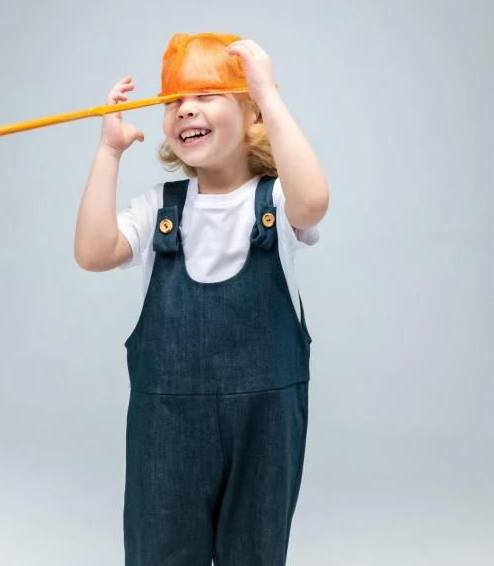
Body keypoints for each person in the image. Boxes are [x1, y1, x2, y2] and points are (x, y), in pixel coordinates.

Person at [74, 33, 329, 566]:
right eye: (172, 102)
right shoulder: (158, 209)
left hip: (266, 420)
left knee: (255, 554)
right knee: (162, 551)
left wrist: (269, 94)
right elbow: (93, 253)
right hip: (165, 425)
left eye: (207, 94)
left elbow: (313, 202)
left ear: (252, 115)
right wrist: (108, 151)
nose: (184, 108)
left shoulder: (278, 202)